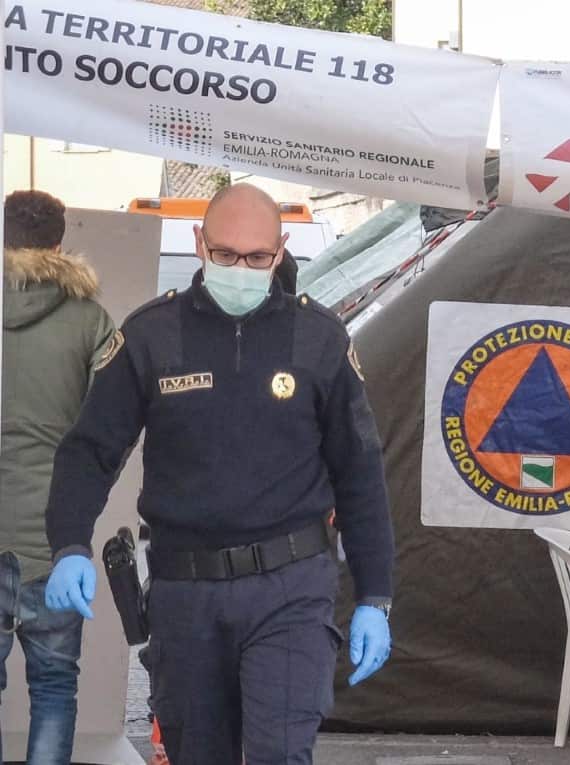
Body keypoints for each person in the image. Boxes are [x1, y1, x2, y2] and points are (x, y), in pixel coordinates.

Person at [41, 183, 395, 765]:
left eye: (258, 257)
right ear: (199, 243)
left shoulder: (319, 339)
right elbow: (90, 450)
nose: (242, 268)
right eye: (227, 255)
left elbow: (360, 473)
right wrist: (70, 543)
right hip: (186, 589)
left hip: (290, 585)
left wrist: (375, 596)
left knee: (281, 752)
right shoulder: (154, 334)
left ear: (281, 250)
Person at [0, 190, 115, 765]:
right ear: (59, 242)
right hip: (55, 538)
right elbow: (107, 432)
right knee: (52, 687)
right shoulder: (90, 320)